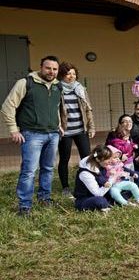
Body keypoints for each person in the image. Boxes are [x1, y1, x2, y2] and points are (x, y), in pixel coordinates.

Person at [2, 56, 62, 215]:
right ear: (41, 67)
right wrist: (13, 129)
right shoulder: (25, 83)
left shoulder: (58, 86)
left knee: (48, 168)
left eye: (55, 69)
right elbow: (8, 106)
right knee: (29, 171)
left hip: (53, 134)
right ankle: (25, 205)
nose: (51, 72)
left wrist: (59, 125)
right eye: (48, 68)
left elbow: (55, 108)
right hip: (32, 134)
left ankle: (44, 198)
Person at [57, 62, 95, 199]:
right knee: (64, 159)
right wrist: (58, 125)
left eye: (73, 73)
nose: (71, 76)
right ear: (62, 75)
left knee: (87, 158)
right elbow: (54, 110)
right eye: (68, 74)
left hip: (81, 129)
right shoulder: (57, 88)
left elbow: (88, 108)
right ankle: (65, 187)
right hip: (65, 132)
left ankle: (86, 183)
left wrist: (91, 127)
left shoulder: (80, 89)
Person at [106, 114, 139, 187]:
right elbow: (108, 150)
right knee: (128, 179)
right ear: (120, 124)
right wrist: (120, 156)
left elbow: (133, 146)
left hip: (130, 163)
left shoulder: (130, 134)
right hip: (117, 167)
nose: (128, 123)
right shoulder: (113, 135)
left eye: (130, 121)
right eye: (125, 121)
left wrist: (138, 153)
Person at [73, 145, 114, 212]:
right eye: (107, 159)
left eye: (110, 158)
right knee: (100, 201)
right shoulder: (85, 173)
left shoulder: (100, 165)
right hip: (85, 198)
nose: (110, 161)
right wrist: (111, 179)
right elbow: (98, 193)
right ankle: (106, 204)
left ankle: (109, 202)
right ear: (98, 159)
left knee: (122, 190)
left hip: (99, 193)